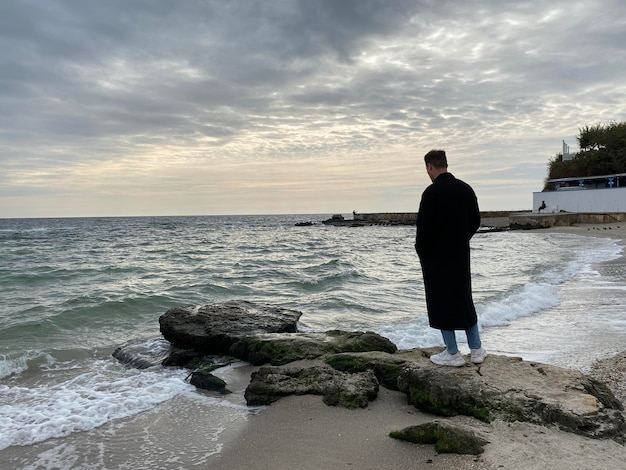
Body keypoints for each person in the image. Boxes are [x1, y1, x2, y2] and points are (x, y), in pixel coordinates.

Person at [415, 149, 487, 367]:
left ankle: (453, 352)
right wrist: (461, 239)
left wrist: (423, 252)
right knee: (464, 297)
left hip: (436, 258)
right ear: (445, 164)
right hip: (459, 254)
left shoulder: (431, 193)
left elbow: (424, 230)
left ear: (430, 166)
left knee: (440, 301)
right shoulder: (465, 189)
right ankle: (476, 349)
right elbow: (475, 220)